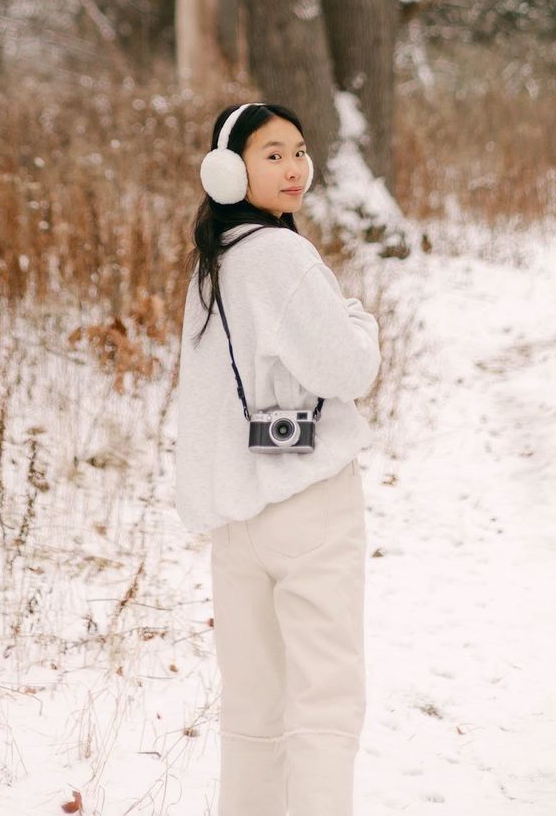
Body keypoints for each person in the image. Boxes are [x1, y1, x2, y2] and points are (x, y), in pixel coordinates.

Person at [176, 101, 380, 816]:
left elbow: (201, 407)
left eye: (298, 150)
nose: (294, 167)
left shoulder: (214, 263)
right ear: (228, 171)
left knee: (254, 712)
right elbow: (349, 371)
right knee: (325, 700)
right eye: (272, 154)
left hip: (238, 520)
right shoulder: (282, 256)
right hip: (310, 504)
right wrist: (359, 318)